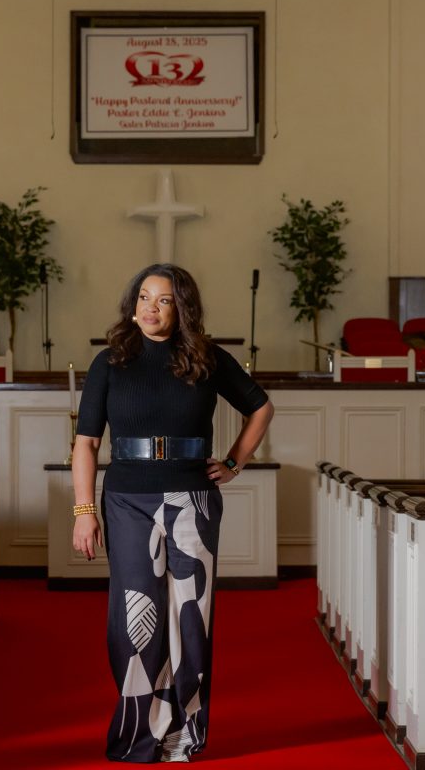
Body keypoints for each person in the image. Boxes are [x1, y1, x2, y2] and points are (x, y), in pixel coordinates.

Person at [71, 263, 274, 763]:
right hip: (126, 502)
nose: (151, 308)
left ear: (181, 307)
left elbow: (261, 407)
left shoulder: (206, 358)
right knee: (134, 621)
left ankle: (184, 734)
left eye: (163, 300)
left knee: (190, 620)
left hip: (192, 501)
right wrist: (84, 510)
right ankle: (141, 729)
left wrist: (233, 462)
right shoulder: (109, 362)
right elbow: (87, 442)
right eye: (143, 297)